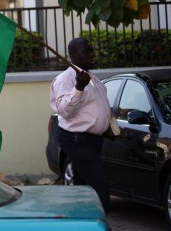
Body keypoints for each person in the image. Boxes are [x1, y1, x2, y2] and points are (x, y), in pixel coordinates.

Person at [49, 38, 111, 212]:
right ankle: (100, 224)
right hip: (78, 139)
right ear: (73, 55)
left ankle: (81, 221)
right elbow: (65, 110)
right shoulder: (64, 80)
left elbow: (96, 109)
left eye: (92, 50)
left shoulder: (93, 79)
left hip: (94, 139)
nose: (91, 54)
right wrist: (79, 87)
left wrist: (106, 126)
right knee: (99, 186)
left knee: (82, 187)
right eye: (86, 51)